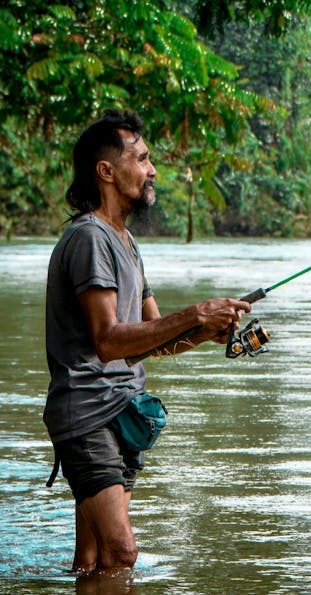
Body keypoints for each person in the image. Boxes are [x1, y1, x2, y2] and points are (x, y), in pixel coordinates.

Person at [44, 109, 250, 576]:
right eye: (141, 158)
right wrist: (195, 312)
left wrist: (207, 330)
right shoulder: (90, 238)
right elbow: (109, 341)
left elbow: (156, 336)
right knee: (123, 553)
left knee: (93, 559)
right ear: (107, 172)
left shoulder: (126, 241)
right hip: (88, 412)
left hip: (124, 410)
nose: (152, 169)